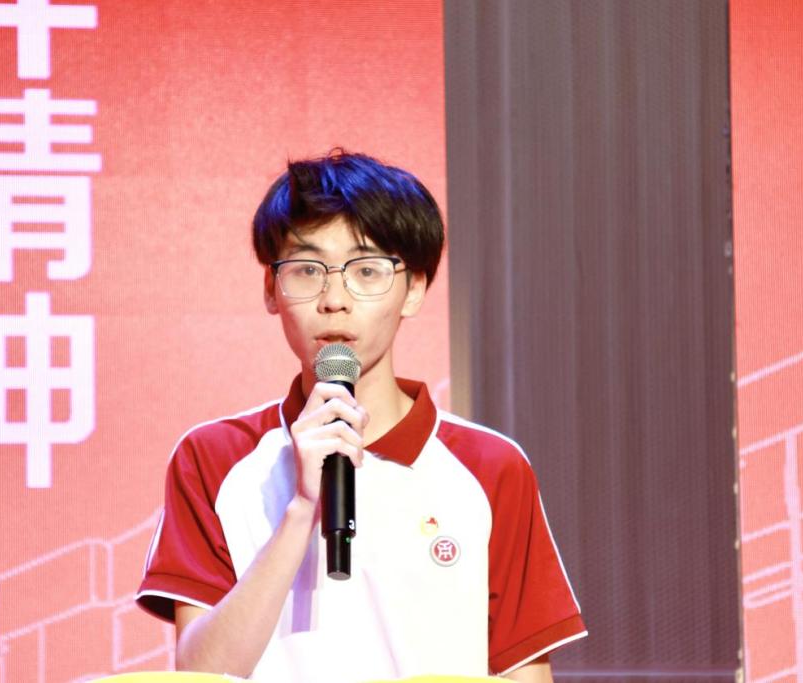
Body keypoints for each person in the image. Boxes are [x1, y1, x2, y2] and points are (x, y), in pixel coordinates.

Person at [136, 151, 586, 683]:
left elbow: (523, 673)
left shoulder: (490, 467)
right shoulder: (213, 458)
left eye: (366, 271)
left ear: (414, 289)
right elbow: (200, 673)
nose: (334, 300)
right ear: (270, 290)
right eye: (307, 270)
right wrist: (301, 509)